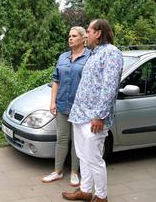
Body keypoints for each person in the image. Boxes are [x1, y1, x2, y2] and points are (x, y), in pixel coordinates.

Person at [62, 19, 123, 202]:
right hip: (80, 115)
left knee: (95, 159)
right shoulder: (95, 53)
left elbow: (109, 87)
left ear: (98, 33)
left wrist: (99, 115)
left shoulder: (112, 53)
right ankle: (86, 191)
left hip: (94, 118)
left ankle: (102, 197)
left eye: (88, 31)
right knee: (83, 156)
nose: (86, 34)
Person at [42, 26, 89, 186]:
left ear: (84, 39)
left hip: (80, 107)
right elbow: (56, 80)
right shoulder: (62, 57)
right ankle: (57, 171)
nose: (70, 38)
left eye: (74, 36)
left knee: (77, 141)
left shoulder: (90, 57)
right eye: (69, 36)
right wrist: (52, 101)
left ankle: (75, 173)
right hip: (62, 104)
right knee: (62, 139)